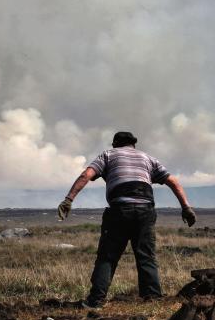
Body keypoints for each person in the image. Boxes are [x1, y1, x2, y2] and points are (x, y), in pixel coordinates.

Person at [57, 131, 197, 308]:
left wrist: (68, 200)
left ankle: (96, 301)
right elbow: (173, 182)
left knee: (108, 257)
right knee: (146, 256)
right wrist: (186, 207)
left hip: (119, 211)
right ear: (133, 145)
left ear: (115, 144)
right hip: (145, 211)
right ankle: (152, 300)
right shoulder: (147, 158)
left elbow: (86, 175)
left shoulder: (108, 155)